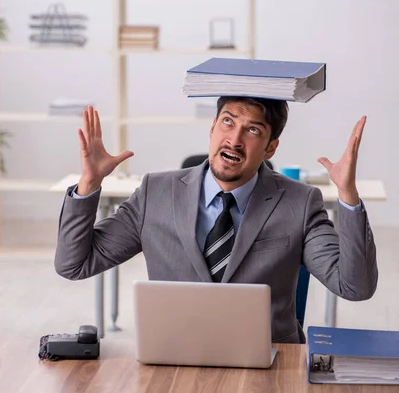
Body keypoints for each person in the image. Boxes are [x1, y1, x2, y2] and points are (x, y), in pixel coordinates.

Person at [55, 98, 377, 343]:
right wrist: (89, 185)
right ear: (212, 128)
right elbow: (74, 264)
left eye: (253, 130)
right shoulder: (156, 193)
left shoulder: (300, 203)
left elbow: (355, 286)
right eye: (228, 122)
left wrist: (348, 194)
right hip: (173, 362)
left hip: (270, 370)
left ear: (270, 147)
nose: (234, 140)